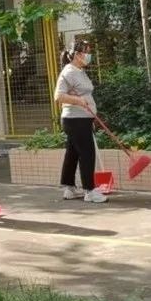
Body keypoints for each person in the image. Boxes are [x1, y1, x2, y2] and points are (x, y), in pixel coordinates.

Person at [54, 40, 107, 204]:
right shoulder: (68, 72)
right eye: (86, 52)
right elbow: (58, 96)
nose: (89, 55)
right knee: (87, 153)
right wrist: (78, 100)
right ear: (77, 54)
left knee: (73, 153)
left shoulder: (80, 71)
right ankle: (90, 191)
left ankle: (69, 188)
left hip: (82, 118)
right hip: (75, 119)